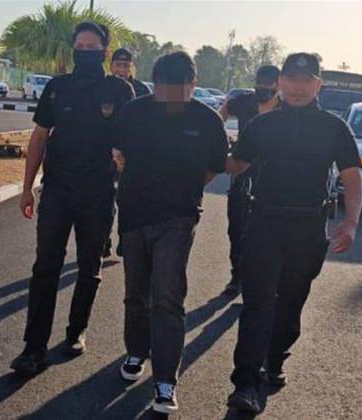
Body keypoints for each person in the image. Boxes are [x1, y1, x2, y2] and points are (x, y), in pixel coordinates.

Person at [226, 53, 362, 414]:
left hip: (308, 227)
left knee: (291, 301)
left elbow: (352, 176)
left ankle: (274, 359)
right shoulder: (263, 124)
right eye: (291, 79)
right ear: (280, 83)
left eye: (305, 80)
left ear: (318, 85)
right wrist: (198, 148)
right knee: (257, 304)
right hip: (264, 222)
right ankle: (246, 383)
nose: (297, 87)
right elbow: (236, 163)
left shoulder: (333, 128)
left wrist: (350, 222)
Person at [10, 22, 135, 376]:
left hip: (99, 192)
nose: (85, 52)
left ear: (104, 52)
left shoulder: (120, 90)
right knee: (45, 268)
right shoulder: (57, 87)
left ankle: (76, 330)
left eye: (92, 47)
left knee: (89, 266)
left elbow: (133, 139)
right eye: (80, 46)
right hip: (58, 190)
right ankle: (33, 348)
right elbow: (39, 136)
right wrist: (27, 187)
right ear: (73, 49)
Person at [113, 51, 228, 413]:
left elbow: (213, 167)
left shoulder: (207, 120)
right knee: (136, 292)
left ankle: (165, 380)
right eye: (164, 88)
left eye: (179, 89)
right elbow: (118, 153)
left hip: (178, 216)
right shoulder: (134, 112)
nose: (171, 97)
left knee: (167, 294)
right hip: (134, 213)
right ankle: (136, 351)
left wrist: (183, 188)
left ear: (193, 85)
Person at [219, 65, 280, 294]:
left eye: (268, 84)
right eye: (259, 82)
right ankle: (237, 277)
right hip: (241, 176)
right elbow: (220, 115)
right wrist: (219, 138)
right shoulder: (244, 102)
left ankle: (261, 281)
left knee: (266, 234)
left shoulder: (286, 110)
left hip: (273, 179)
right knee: (237, 230)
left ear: (278, 85)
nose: (263, 87)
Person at [103, 47, 151, 258]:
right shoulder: (102, 87)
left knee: (128, 201)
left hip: (134, 157)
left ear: (132, 67)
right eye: (118, 65)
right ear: (111, 65)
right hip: (105, 155)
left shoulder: (142, 91)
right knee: (105, 199)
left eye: (126, 65)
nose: (121, 69)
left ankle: (126, 239)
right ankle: (103, 241)